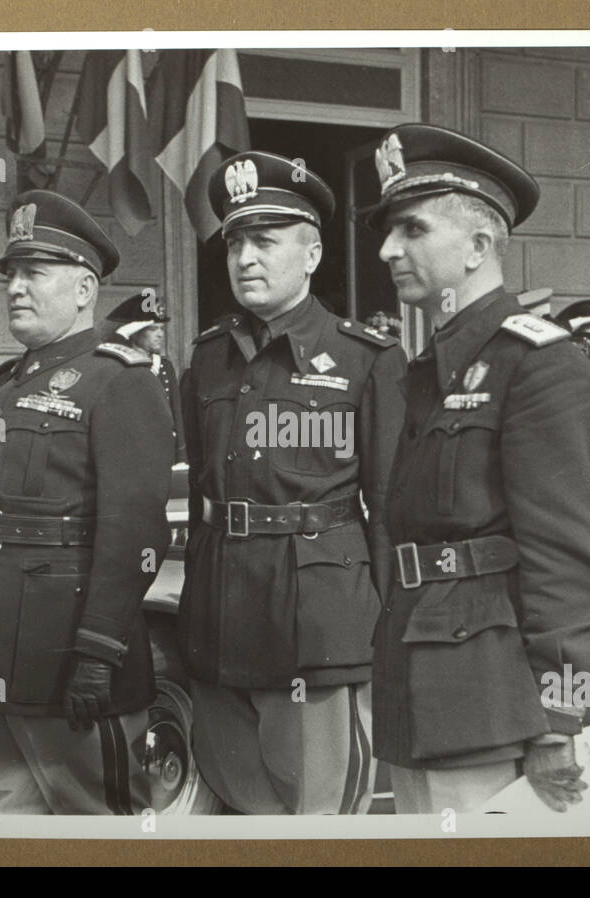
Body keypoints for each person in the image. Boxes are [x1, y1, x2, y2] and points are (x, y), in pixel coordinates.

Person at [363, 124, 590, 814]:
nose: (389, 250)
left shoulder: (537, 363)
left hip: (495, 704)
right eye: (390, 231)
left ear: (479, 246)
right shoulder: (429, 368)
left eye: (412, 229)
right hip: (419, 683)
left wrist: (560, 716)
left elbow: (566, 551)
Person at [0, 190, 174, 814]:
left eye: (36, 273)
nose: (15, 289)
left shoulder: (120, 380)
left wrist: (97, 653)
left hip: (65, 653)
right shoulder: (6, 382)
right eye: (12, 274)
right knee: (17, 807)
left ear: (85, 289)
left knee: (94, 816)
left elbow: (134, 533)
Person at [178, 151, 407, 814]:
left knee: (315, 812)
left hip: (316, 622)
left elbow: (389, 508)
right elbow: (202, 493)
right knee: (237, 797)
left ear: (310, 255)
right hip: (221, 616)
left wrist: (387, 629)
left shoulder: (366, 359)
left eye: (266, 242)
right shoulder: (209, 355)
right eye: (236, 242)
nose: (246, 258)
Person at [104, 290, 185, 463]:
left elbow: (176, 413)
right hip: (129, 450)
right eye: (153, 329)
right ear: (136, 331)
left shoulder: (164, 366)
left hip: (163, 450)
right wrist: (122, 333)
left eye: (162, 329)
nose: (160, 334)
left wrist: (181, 456)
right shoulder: (120, 362)